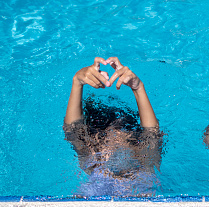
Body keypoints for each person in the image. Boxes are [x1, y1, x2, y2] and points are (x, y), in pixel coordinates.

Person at [64, 57, 163, 197]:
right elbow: (72, 129)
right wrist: (77, 82)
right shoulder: (92, 160)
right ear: (96, 144)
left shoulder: (145, 160)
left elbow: (152, 132)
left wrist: (138, 87)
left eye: (122, 135)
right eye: (108, 138)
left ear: (134, 143)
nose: (115, 141)